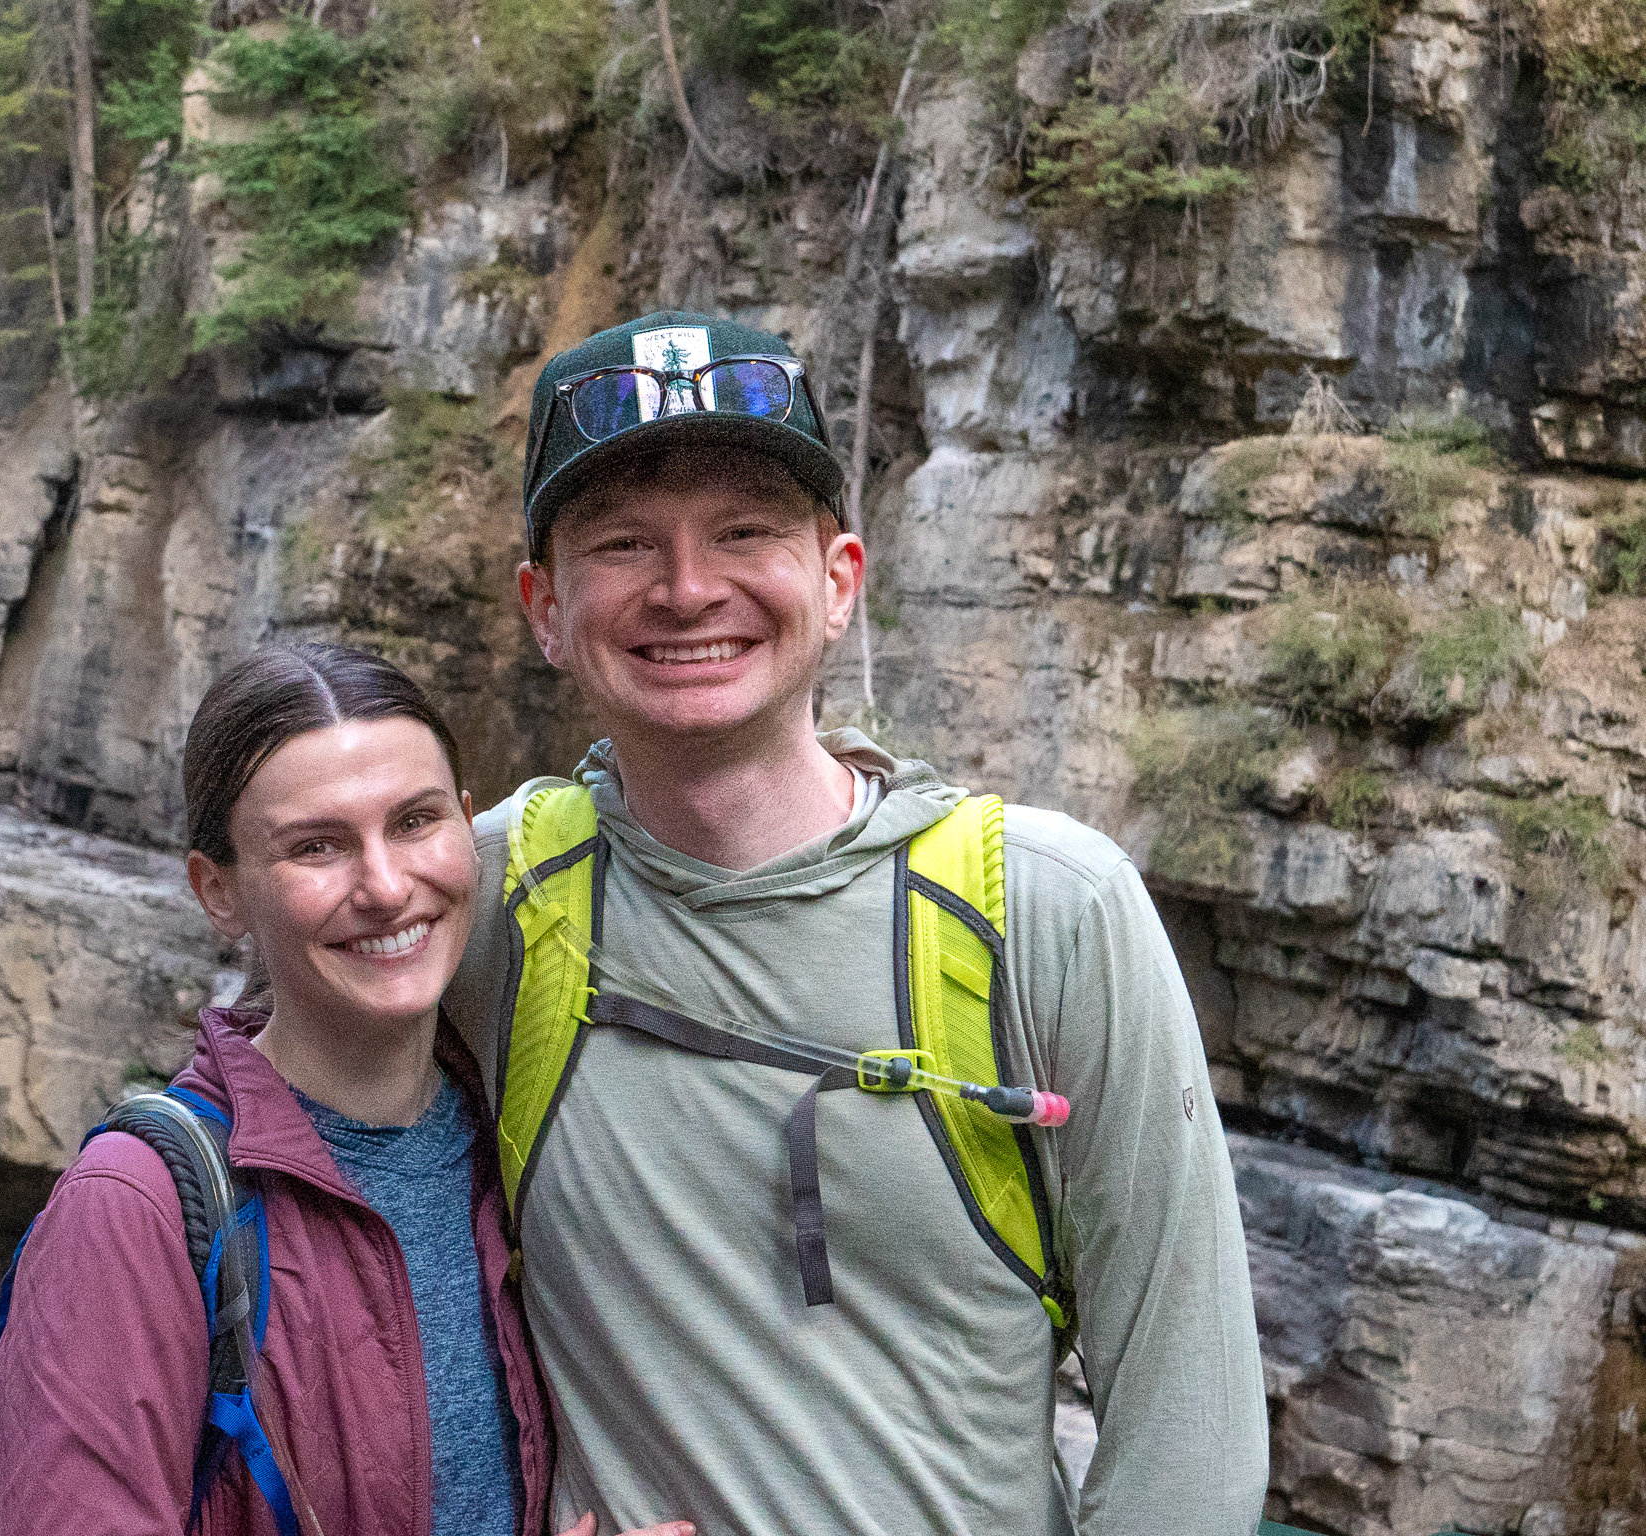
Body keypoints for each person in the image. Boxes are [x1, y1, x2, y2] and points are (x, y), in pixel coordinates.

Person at [443, 311, 1271, 1536]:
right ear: (544, 608)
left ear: (837, 583)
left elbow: (1185, 1430)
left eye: (743, 533)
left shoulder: (1045, 910)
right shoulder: (489, 898)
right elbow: (316, 1213)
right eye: (622, 544)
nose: (686, 589)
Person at [0, 642, 694, 1536]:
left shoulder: (515, 1138)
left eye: (415, 822)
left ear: (468, 829)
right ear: (220, 891)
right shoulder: (137, 1209)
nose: (387, 886)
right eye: (316, 846)